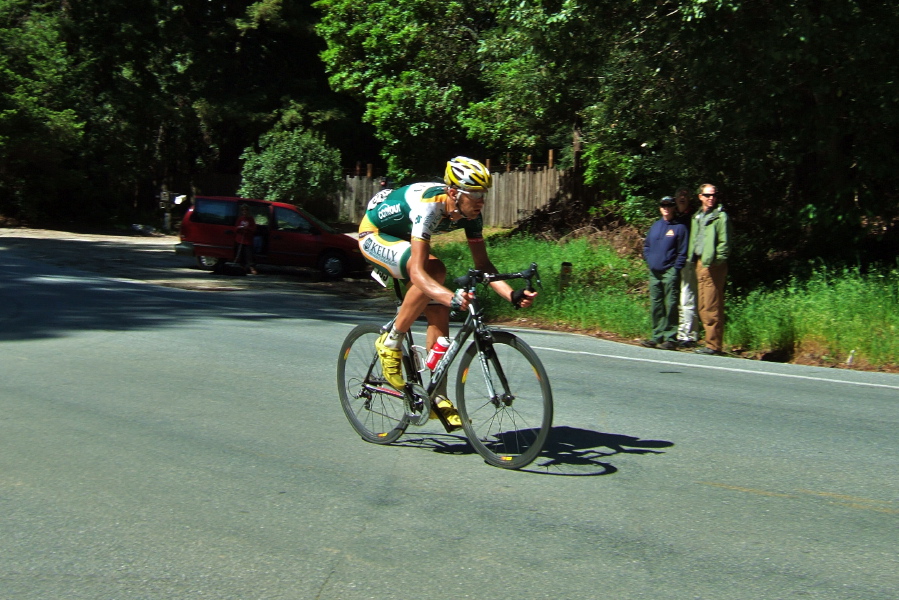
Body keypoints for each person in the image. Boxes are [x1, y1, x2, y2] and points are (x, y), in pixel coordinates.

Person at [357, 157, 537, 430]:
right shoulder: (431, 205)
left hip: (404, 238)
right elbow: (417, 272)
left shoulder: (471, 215)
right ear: (454, 192)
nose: (481, 201)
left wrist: (511, 295)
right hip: (375, 234)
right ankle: (391, 341)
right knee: (434, 269)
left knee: (440, 313)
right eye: (474, 194)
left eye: (483, 194)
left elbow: (484, 267)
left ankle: (437, 394)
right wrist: (449, 296)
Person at [641, 196, 688, 350]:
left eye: (669, 205)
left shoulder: (679, 227)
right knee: (656, 304)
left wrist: (675, 268)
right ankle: (657, 336)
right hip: (654, 271)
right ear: (660, 208)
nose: (666, 208)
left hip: (670, 271)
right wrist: (650, 260)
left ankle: (670, 338)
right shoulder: (655, 226)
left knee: (672, 303)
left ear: (674, 207)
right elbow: (647, 246)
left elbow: (683, 251)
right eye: (663, 205)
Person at [690, 184, 732, 355]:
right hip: (700, 263)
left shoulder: (720, 217)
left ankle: (713, 345)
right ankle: (709, 342)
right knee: (702, 305)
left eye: (714, 195)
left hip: (713, 265)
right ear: (700, 196)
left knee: (712, 305)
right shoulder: (698, 216)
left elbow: (725, 243)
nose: (711, 198)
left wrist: (718, 261)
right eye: (707, 195)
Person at [674, 187, 699, 347]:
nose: (682, 198)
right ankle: (679, 333)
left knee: (687, 298)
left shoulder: (693, 217)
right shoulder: (675, 217)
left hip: (689, 262)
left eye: (685, 195)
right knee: (678, 299)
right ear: (675, 199)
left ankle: (689, 336)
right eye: (679, 196)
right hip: (675, 262)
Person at [234, 204, 258, 275]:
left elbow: (254, 229)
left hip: (248, 240)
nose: (245, 211)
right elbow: (235, 228)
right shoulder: (240, 219)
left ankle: (252, 268)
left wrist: (247, 228)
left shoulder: (251, 219)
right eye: (243, 210)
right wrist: (239, 228)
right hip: (240, 239)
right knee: (241, 255)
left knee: (249, 255)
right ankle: (243, 268)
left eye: (246, 210)